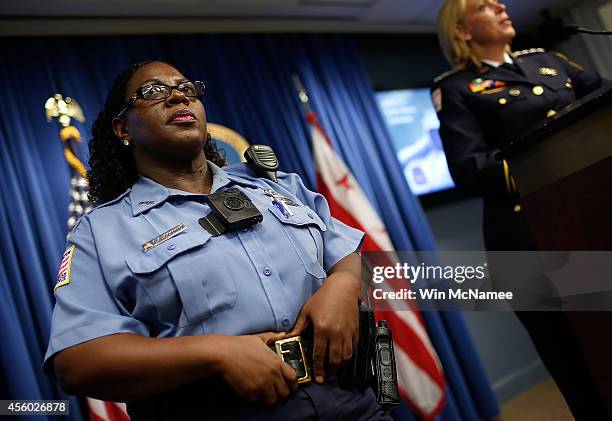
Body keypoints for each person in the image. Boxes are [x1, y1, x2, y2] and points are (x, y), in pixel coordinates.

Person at [43, 60, 391, 420]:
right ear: (122, 128)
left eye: (186, 88)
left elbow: (345, 251)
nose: (178, 96)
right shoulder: (102, 231)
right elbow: (77, 361)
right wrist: (215, 352)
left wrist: (344, 284)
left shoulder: (276, 185)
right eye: (154, 91)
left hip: (353, 402)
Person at [433, 0, 608, 419]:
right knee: (576, 363)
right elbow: (470, 169)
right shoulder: (457, 89)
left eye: (498, 0)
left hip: (593, 218)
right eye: (483, 4)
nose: (500, 5)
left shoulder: (549, 61)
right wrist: (555, 161)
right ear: (461, 31)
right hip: (525, 237)